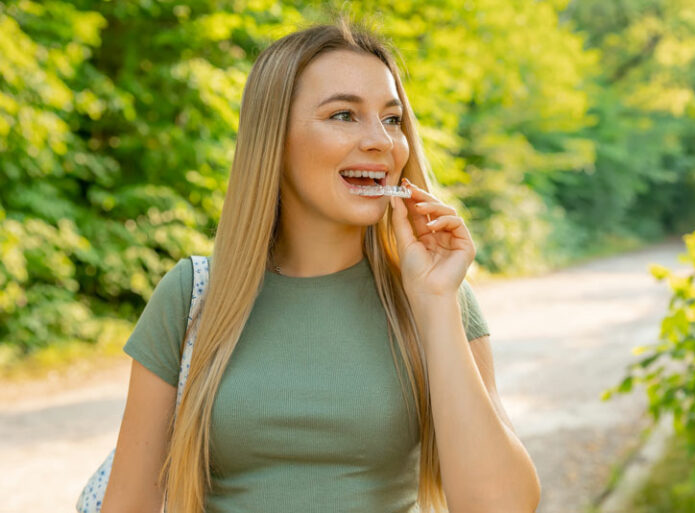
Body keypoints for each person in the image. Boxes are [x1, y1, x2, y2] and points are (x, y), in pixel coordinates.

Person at [101, 19, 540, 513]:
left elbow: (501, 506)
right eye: (343, 115)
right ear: (274, 137)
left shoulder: (437, 293)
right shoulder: (191, 295)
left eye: (392, 119)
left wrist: (435, 302)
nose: (381, 141)